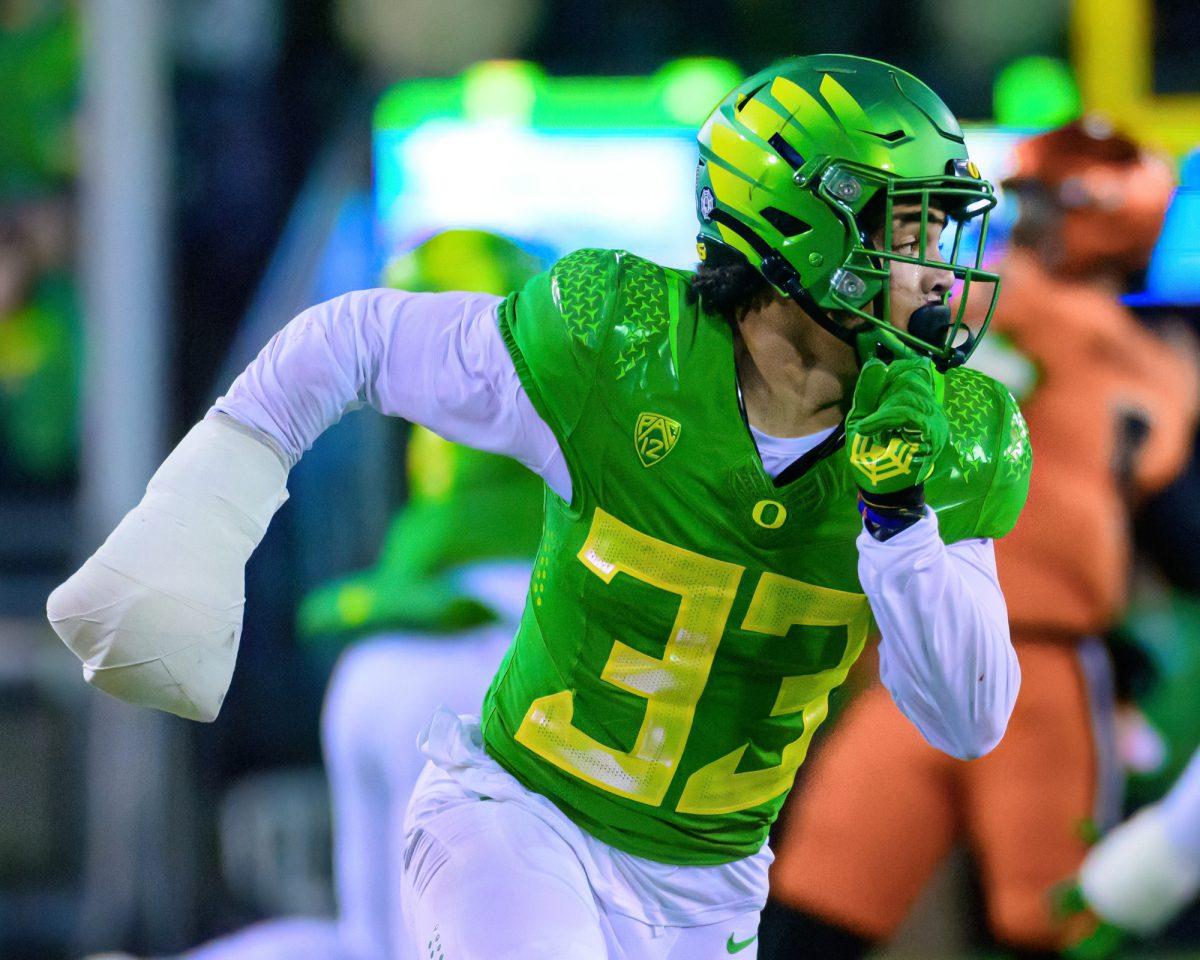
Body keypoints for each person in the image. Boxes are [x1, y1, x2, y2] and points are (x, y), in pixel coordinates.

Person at [49, 55, 1030, 959]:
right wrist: (200, 518)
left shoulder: (952, 435)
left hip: (708, 887)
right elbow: (353, 338)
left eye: (943, 229)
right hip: (521, 813)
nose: (941, 264)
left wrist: (900, 518)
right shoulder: (622, 344)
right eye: (909, 227)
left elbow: (967, 720)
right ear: (800, 225)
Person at [760, 118, 1195, 959]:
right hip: (968, 657)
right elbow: (1177, 538)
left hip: (977, 663)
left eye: (1037, 204)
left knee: (837, 912)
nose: (1016, 226)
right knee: (1039, 918)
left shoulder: (1001, 309)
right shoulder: (1148, 362)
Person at [84, 230, 546, 960]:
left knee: (378, 944)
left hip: (386, 661)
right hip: (502, 657)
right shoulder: (578, 358)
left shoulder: (421, 344)